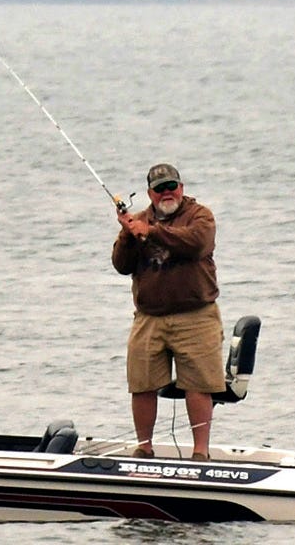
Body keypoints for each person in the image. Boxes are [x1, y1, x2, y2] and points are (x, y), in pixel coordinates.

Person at [111, 161, 221, 459]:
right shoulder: (140, 220)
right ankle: (144, 448)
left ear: (181, 188)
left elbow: (196, 244)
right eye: (160, 189)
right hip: (149, 317)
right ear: (150, 193)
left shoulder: (200, 216)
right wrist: (127, 234)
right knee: (142, 384)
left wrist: (152, 231)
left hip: (196, 315)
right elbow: (122, 266)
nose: (167, 193)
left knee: (198, 384)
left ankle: (201, 453)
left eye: (172, 186)